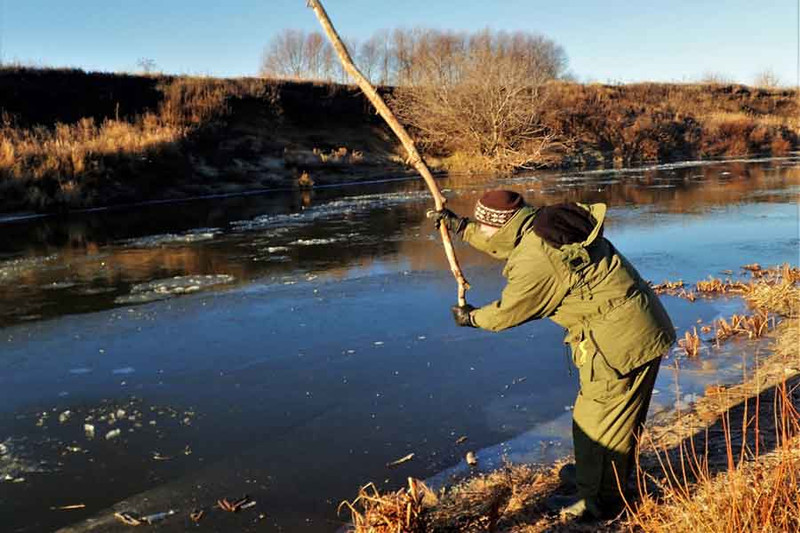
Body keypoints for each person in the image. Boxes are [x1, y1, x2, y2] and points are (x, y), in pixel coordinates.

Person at [431, 190, 676, 520]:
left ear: (502, 224)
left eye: (483, 226)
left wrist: (472, 318)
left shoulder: (538, 259)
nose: (483, 231)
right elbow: (504, 242)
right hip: (633, 326)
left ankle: (598, 502)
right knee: (612, 419)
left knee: (599, 423)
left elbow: (509, 312)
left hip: (619, 342)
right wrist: (462, 227)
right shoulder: (544, 224)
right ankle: (598, 479)